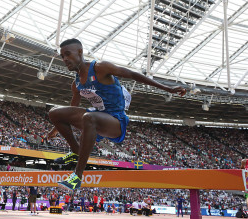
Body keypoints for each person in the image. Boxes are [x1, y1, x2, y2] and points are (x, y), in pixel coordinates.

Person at [48, 38, 186, 190]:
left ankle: (77, 177)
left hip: (115, 121)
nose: (65, 59)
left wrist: (168, 89)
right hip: (97, 118)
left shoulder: (100, 68)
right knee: (54, 113)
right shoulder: (77, 83)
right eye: (62, 56)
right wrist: (56, 129)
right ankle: (75, 151)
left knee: (89, 117)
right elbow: (73, 107)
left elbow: (133, 75)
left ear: (80, 52)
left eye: (68, 54)